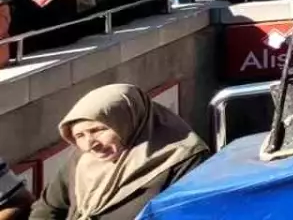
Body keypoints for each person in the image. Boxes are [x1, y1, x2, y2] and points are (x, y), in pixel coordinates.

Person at [30, 84, 209, 220]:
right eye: (80, 135)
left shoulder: (182, 160)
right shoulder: (82, 160)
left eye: (98, 130)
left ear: (130, 121)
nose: (90, 144)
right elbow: (47, 209)